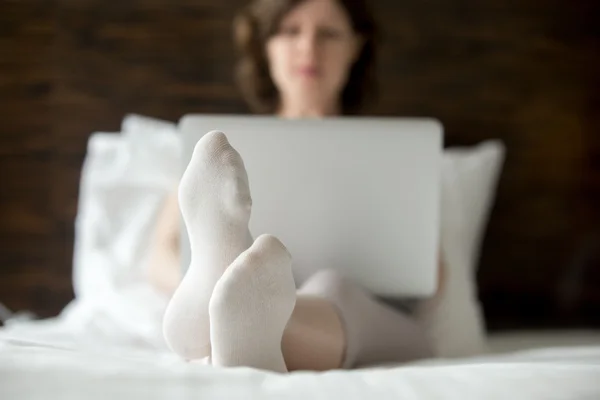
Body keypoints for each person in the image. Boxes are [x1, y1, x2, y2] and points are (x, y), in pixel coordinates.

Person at [152, 0, 445, 372]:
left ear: (355, 46)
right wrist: (182, 275)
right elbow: (161, 253)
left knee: (333, 286)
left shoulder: (398, 154)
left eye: (329, 33)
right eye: (290, 31)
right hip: (285, 311)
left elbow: (433, 273)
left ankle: (227, 303)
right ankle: (236, 301)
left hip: (380, 319)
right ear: (266, 46)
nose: (309, 48)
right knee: (288, 287)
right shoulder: (221, 157)